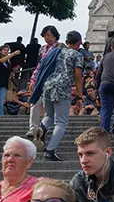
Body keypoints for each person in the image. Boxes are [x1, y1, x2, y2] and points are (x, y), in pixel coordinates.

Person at [35, 31, 84, 161]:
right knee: (61, 121)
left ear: (66, 41)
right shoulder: (77, 55)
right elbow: (78, 77)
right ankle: (50, 150)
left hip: (48, 86)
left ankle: (40, 129)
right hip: (62, 88)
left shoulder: (54, 52)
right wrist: (80, 96)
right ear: (78, 43)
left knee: (48, 116)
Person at [25, 26, 65, 141]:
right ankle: (33, 128)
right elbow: (39, 65)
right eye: (45, 36)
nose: (47, 38)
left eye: (49, 35)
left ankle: (43, 128)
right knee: (34, 101)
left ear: (55, 35)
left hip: (53, 80)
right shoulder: (43, 48)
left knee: (49, 108)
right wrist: (33, 79)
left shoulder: (60, 47)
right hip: (40, 79)